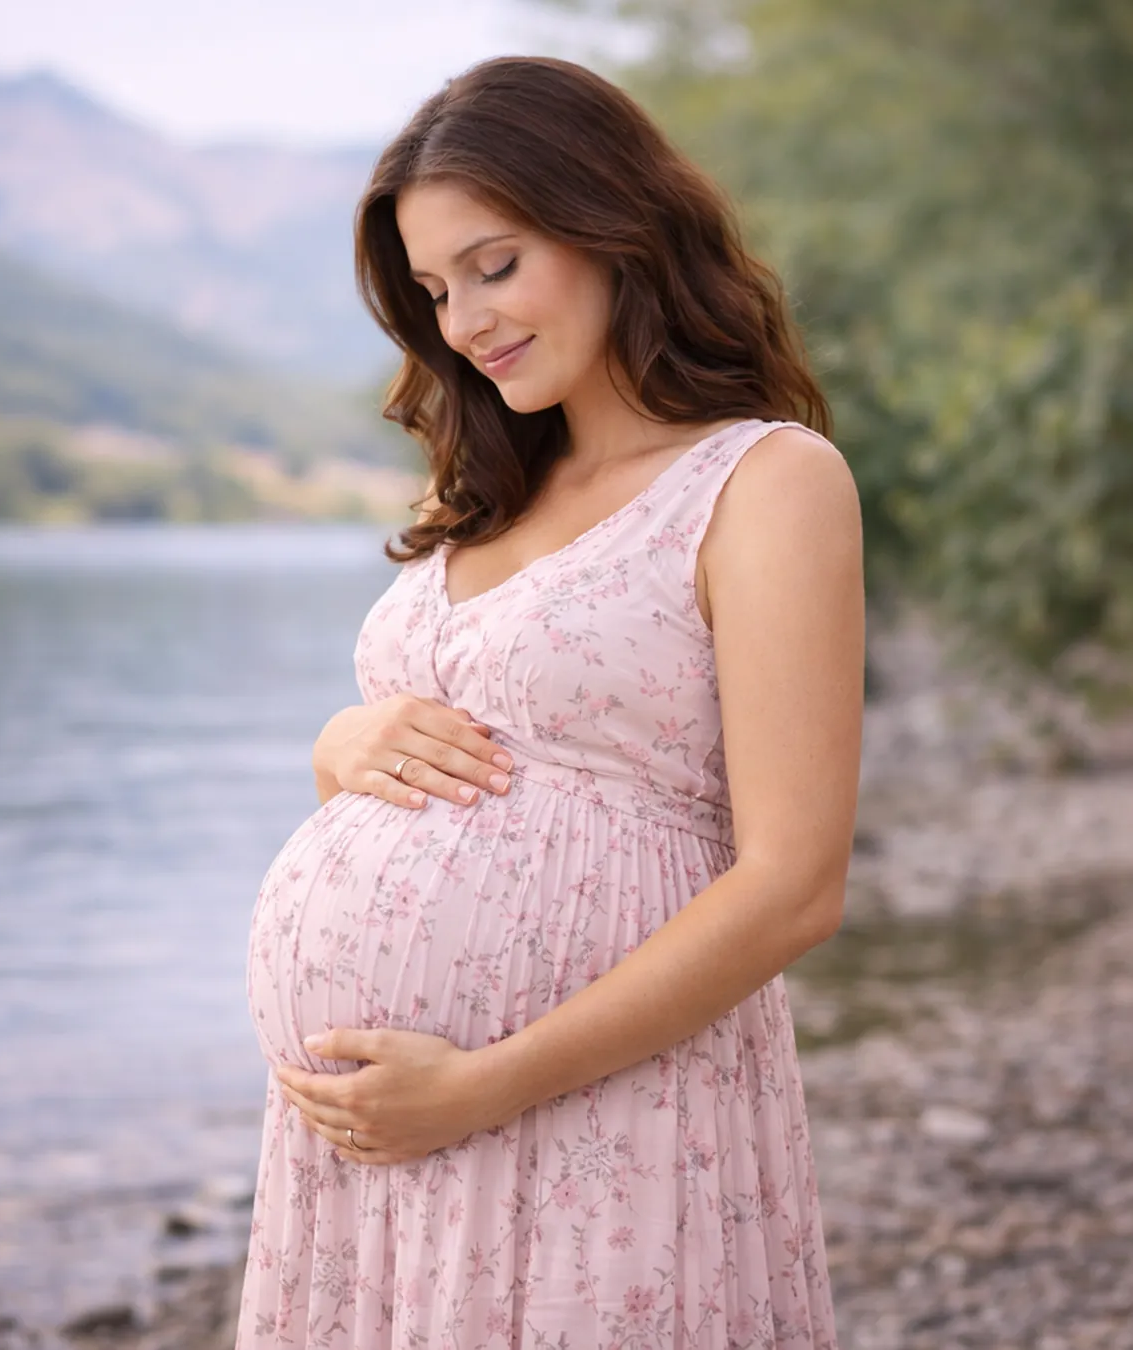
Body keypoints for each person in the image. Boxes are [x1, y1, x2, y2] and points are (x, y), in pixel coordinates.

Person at [237, 54, 862, 1349]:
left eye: (494, 263)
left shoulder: (762, 480)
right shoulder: (479, 490)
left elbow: (794, 879)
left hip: (592, 1111)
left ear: (612, 225)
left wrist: (479, 1084)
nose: (462, 320)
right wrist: (339, 742)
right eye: (431, 290)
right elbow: (454, 764)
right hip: (377, 1148)